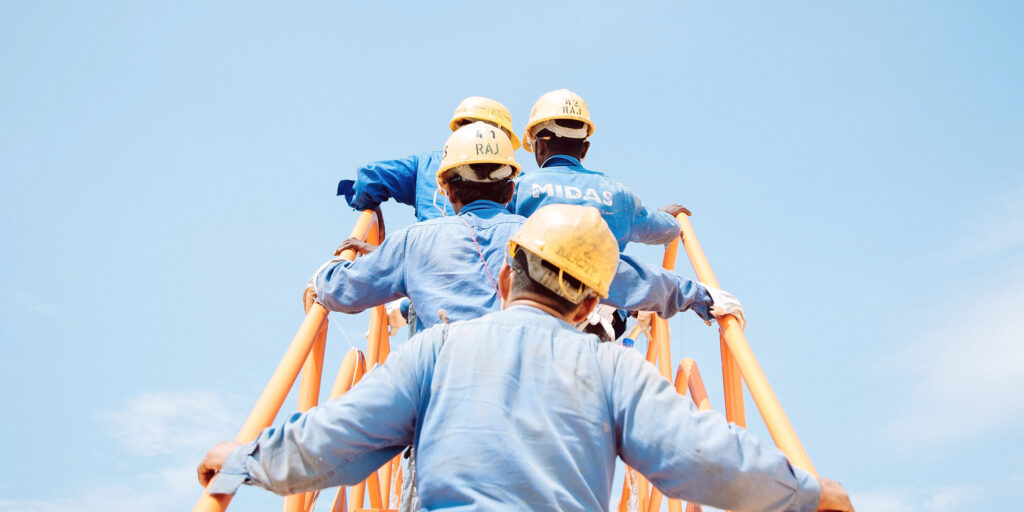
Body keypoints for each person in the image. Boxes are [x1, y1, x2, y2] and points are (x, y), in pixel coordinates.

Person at [198, 204, 854, 512]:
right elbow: (701, 454)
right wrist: (806, 492)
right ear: (588, 305)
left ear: (508, 275)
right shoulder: (616, 368)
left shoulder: (434, 351)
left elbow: (332, 441)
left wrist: (239, 465)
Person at [303, 122, 743, 333]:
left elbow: (342, 291)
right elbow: (625, 276)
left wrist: (332, 268)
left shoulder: (412, 242)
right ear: (512, 182)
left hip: (439, 412)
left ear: (447, 188)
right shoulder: (546, 238)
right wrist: (699, 295)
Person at [513, 88, 687, 252]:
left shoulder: (520, 189)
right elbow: (667, 229)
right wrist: (665, 216)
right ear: (584, 149)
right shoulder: (618, 194)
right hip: (604, 284)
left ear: (540, 146)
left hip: (535, 283)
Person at [337, 96, 521, 222]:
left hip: (427, 262)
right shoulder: (514, 178)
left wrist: (368, 206)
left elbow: (370, 180)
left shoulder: (424, 166)